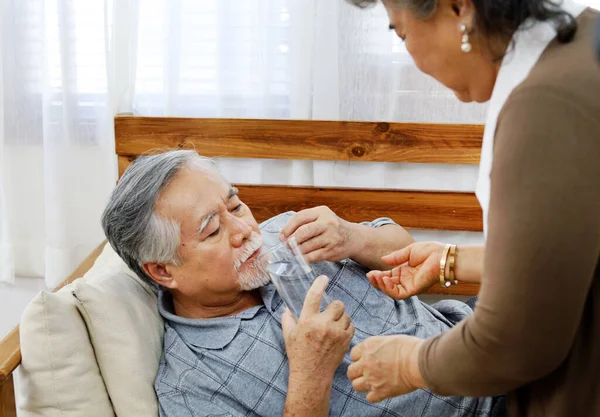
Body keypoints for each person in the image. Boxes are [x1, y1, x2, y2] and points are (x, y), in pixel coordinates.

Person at [101, 150, 506, 417]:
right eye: (212, 231)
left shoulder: (289, 231)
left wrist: (354, 236)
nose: (245, 229)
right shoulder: (192, 387)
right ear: (163, 271)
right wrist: (311, 375)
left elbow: (406, 250)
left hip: (480, 338)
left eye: (236, 204)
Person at [344, 1, 600, 416]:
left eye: (402, 33)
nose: (412, 61)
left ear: (459, 7)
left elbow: (518, 341)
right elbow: (575, 254)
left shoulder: (545, 104)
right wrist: (452, 261)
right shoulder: (581, 43)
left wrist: (409, 364)